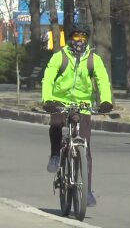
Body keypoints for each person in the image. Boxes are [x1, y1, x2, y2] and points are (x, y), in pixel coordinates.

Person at [42, 23, 113, 206]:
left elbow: (103, 80)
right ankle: (55, 155)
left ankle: (87, 191)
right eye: (76, 36)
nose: (79, 40)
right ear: (70, 38)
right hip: (59, 100)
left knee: (86, 146)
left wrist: (106, 101)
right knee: (56, 124)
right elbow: (48, 78)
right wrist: (48, 100)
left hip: (83, 104)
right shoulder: (60, 57)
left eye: (83, 37)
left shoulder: (93, 59)